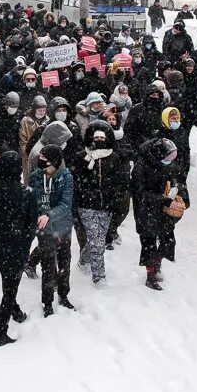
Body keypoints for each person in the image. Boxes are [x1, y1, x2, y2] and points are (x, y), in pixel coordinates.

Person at [0, 151, 42, 346]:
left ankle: (16, 312)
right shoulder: (27, 193)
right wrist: (25, 245)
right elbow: (31, 225)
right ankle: (1, 332)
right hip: (16, 248)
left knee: (7, 282)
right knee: (9, 289)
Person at [73, 120, 128, 287]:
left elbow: (120, 182)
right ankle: (99, 277)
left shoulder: (114, 158)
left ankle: (83, 260)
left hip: (106, 207)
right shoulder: (81, 157)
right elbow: (76, 183)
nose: (98, 140)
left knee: (99, 239)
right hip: (86, 205)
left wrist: (115, 200)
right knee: (96, 242)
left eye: (102, 137)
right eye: (95, 137)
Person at [132, 137, 182, 291]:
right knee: (149, 243)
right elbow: (139, 192)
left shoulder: (164, 162)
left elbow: (173, 176)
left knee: (167, 238)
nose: (169, 162)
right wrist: (162, 199)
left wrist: (175, 188)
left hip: (162, 208)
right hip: (146, 210)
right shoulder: (141, 166)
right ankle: (150, 274)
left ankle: (157, 264)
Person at [31, 145, 76, 315]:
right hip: (44, 229)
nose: (40, 160)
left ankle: (64, 296)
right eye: (40, 156)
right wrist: (39, 214)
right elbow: (34, 199)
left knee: (64, 263)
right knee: (48, 266)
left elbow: (66, 204)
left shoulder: (66, 177)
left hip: (63, 226)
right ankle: (47, 302)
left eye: (44, 157)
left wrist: (49, 214)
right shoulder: (36, 176)